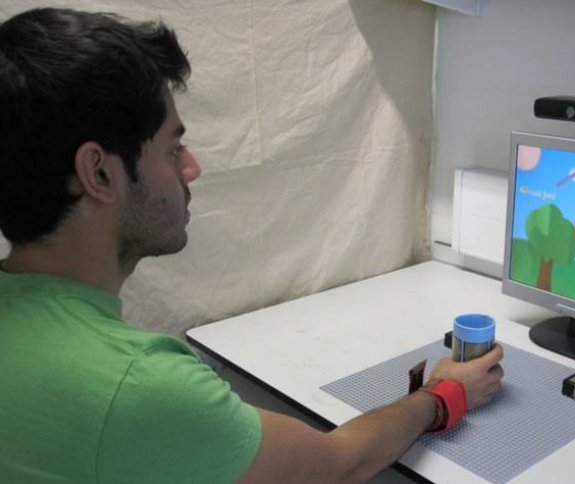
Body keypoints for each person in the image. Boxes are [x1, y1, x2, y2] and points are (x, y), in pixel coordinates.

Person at [0, 7, 504, 484]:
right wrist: (443, 395)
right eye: (172, 148)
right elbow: (336, 464)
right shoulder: (138, 384)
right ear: (99, 173)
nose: (191, 167)